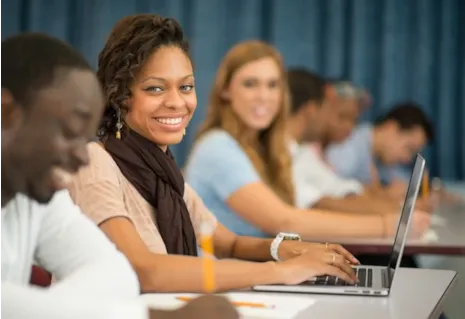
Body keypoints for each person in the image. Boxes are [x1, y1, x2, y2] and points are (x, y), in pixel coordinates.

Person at [67, 14, 359, 294]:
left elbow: (228, 244)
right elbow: (144, 271)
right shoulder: (95, 162)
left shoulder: (165, 175)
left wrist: (288, 250)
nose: (176, 102)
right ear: (120, 97)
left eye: (186, 87)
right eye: (155, 89)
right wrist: (280, 272)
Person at [0, 32, 238, 319]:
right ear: (6, 113)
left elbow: (116, 273)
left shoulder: (35, 196)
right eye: (68, 133)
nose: (82, 155)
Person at [184, 40, 430, 242]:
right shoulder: (217, 146)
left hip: (254, 273)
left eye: (273, 85)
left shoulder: (261, 148)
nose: (263, 96)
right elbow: (284, 220)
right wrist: (389, 225)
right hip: (224, 284)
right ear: (225, 91)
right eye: (250, 84)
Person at [286, 68, 411, 215]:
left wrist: (396, 210)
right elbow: (317, 203)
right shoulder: (291, 151)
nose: (350, 127)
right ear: (312, 110)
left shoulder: (303, 151)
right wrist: (390, 222)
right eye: (328, 110)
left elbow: (337, 188)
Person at [326, 103, 434, 200]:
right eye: (409, 149)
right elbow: (329, 191)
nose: (407, 159)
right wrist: (383, 195)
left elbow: (402, 181)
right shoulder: (349, 147)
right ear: (391, 128)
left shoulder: (380, 158)